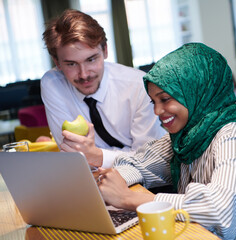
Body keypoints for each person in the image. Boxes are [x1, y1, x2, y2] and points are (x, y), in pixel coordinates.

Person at [95, 43, 236, 239]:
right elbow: (137, 162)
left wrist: (133, 198)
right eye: (154, 102)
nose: (157, 111)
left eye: (166, 99)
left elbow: (220, 214)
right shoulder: (184, 138)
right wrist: (112, 183)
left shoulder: (235, 136)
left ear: (196, 91)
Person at [41, 9, 166, 168]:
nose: (84, 74)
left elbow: (148, 161)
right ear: (57, 62)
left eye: (91, 59)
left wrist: (98, 156)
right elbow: (74, 155)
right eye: (71, 64)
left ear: (105, 50)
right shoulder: (53, 84)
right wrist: (99, 156)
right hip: (93, 179)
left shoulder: (138, 86)